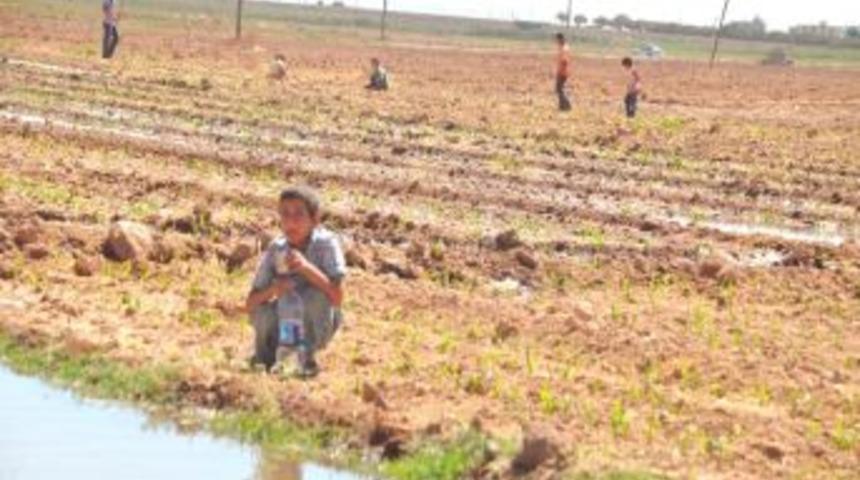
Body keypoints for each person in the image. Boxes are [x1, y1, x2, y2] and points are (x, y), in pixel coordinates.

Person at [245, 187, 346, 378]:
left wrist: (307, 268)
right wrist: (275, 288)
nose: (291, 221)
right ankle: (266, 360)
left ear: (315, 219)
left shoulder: (326, 244)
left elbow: (337, 297)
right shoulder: (277, 248)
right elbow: (250, 303)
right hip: (285, 320)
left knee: (314, 296)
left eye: (299, 214)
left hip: (316, 321)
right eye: (285, 214)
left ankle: (305, 360)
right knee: (262, 309)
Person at [554, 33, 572, 111]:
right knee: (560, 89)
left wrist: (560, 70)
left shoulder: (564, 49)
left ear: (560, 39)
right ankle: (563, 106)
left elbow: (564, 61)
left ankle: (566, 106)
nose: (556, 41)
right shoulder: (565, 47)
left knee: (559, 89)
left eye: (557, 39)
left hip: (562, 72)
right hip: (564, 71)